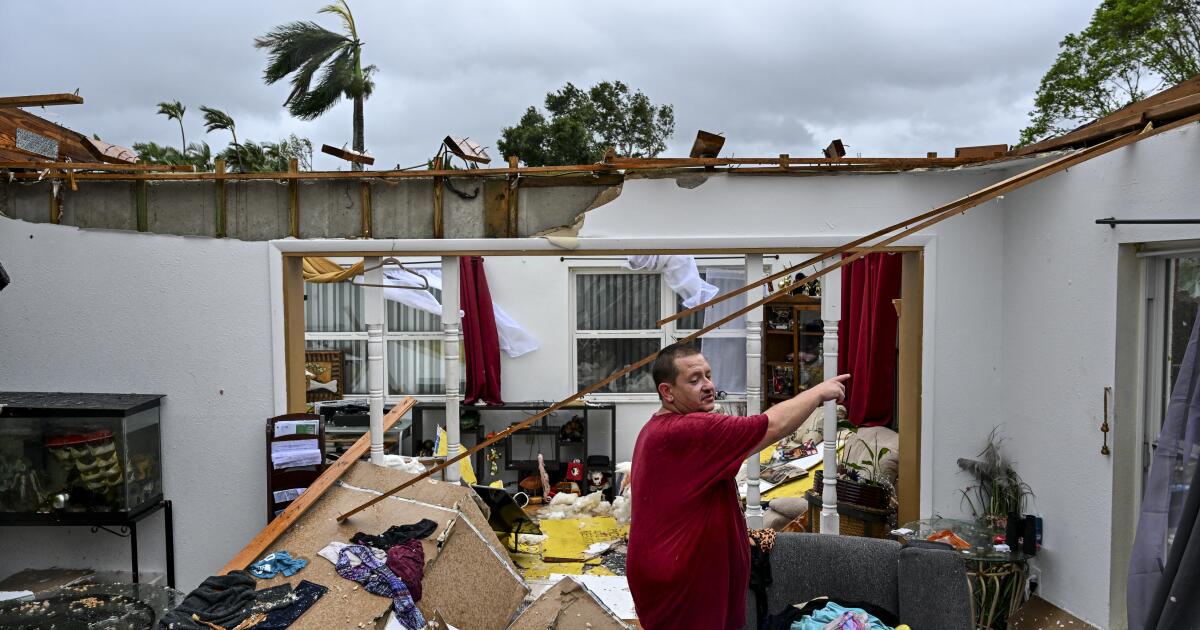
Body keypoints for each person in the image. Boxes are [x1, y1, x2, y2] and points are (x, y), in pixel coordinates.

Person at [626, 343, 849, 630]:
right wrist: (818, 392)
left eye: (708, 375)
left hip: (677, 574)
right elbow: (771, 426)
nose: (707, 386)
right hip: (682, 583)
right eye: (694, 380)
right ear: (667, 392)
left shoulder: (662, 427)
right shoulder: (688, 430)